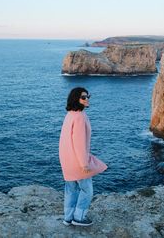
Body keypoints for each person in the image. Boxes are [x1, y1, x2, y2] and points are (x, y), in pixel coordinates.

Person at [59, 87, 108, 227]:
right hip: (78, 161)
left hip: (67, 160)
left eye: (88, 96)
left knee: (71, 190)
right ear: (77, 99)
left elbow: (65, 140)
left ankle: (68, 218)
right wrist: (84, 163)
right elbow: (79, 142)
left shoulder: (70, 115)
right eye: (84, 97)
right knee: (87, 190)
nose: (87, 99)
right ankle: (79, 217)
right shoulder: (80, 116)